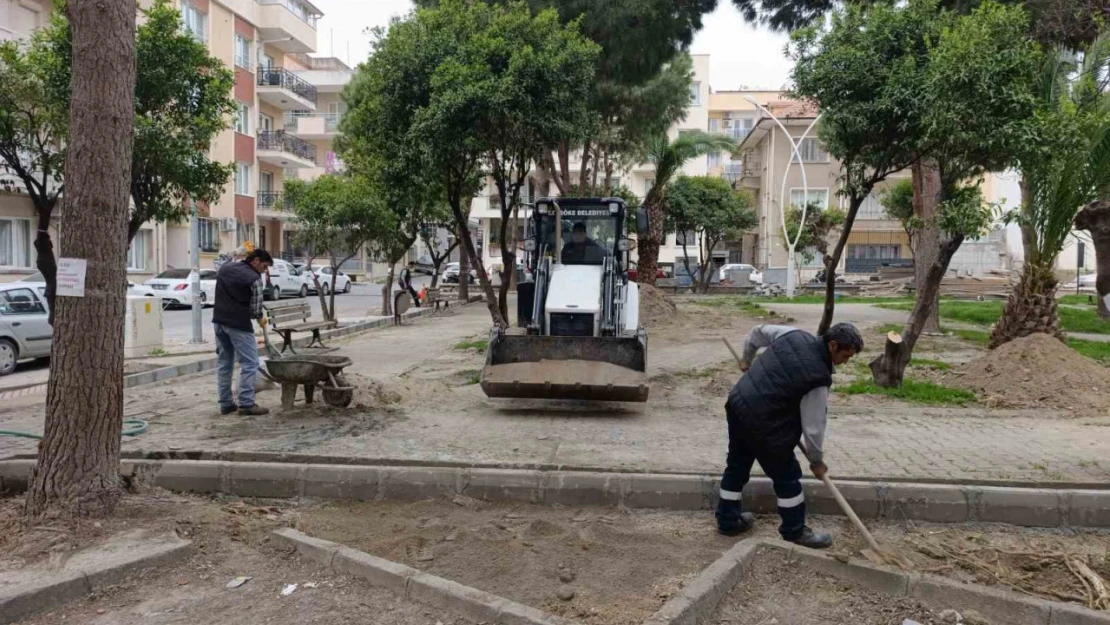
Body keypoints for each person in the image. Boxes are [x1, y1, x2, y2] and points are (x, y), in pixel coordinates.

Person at [716, 322, 864, 548]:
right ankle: (795, 532)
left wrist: (746, 359)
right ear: (832, 345)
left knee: (737, 465)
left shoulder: (793, 335)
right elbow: (813, 427)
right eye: (845, 356)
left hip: (739, 404)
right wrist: (816, 461)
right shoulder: (818, 379)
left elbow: (757, 331)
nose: (845, 362)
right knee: (787, 476)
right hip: (765, 422)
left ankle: (728, 521)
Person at [212, 248, 274, 416]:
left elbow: (219, 261)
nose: (265, 270)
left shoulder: (226, 268)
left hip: (218, 322)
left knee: (225, 363)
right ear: (255, 261)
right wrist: (261, 318)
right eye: (265, 265)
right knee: (250, 362)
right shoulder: (254, 280)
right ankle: (246, 403)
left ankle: (226, 403)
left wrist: (235, 252)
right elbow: (255, 311)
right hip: (238, 324)